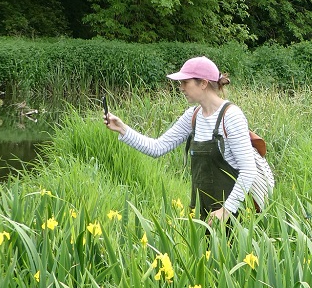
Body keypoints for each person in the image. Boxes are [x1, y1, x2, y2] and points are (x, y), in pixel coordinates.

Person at [104, 56, 258, 222]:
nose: (181, 88)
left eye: (185, 82)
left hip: (232, 216)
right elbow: (157, 148)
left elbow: (249, 170)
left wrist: (226, 210)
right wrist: (122, 128)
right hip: (201, 213)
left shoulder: (231, 116)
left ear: (204, 83)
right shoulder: (193, 115)